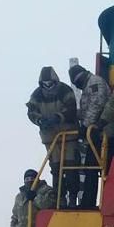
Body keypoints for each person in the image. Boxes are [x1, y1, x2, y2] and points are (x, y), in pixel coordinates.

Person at [68, 63, 114, 209]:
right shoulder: (87, 87)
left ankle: (110, 202)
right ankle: (88, 202)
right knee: (91, 168)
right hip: (97, 136)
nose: (77, 83)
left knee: (108, 170)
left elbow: (97, 104)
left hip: (108, 134)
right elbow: (88, 109)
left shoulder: (95, 82)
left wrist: (86, 125)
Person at [26, 66, 80, 208]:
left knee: (71, 167)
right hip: (50, 138)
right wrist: (40, 120)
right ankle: (59, 199)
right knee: (56, 169)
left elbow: (71, 108)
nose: (48, 87)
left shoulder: (65, 90)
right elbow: (31, 111)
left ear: (55, 81)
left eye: (50, 83)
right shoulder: (37, 95)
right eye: (45, 84)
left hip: (68, 136)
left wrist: (58, 117)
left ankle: (73, 198)